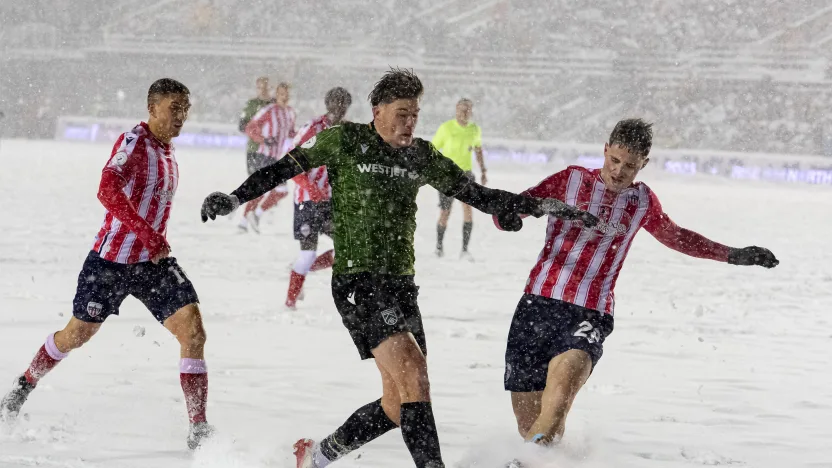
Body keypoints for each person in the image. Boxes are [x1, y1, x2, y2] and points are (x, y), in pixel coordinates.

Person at [200, 68, 598, 468]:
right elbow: (282, 168)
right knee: (415, 377)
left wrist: (530, 206)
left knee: (397, 403)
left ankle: (316, 456)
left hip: (401, 286)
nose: (409, 123)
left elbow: (475, 193)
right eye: (402, 113)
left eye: (415, 115)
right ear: (377, 111)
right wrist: (234, 199)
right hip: (358, 281)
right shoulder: (346, 140)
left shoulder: (420, 154)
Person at [495, 119, 779, 466]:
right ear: (605, 149)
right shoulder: (569, 180)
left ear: (643, 163)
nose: (618, 171)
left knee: (556, 406)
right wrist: (513, 216)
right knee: (529, 425)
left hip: (589, 313)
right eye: (614, 160)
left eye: (629, 165)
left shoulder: (641, 201)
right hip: (536, 306)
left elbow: (676, 237)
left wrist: (732, 254)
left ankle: (524, 464)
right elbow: (508, 211)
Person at [0, 79, 214, 450]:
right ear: (152, 108)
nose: (181, 116)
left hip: (152, 263)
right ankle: (22, 387)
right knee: (76, 335)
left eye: (185, 109)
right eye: (173, 108)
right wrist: (145, 232)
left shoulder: (167, 151)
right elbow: (107, 189)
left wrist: (150, 240)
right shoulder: (134, 143)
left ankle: (198, 428)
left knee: (193, 332)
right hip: (110, 262)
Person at [285, 87, 352, 309]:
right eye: (336, 103)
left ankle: (305, 270)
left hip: (333, 202)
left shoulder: (347, 133)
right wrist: (310, 187)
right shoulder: (312, 129)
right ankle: (290, 302)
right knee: (307, 252)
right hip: (307, 201)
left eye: (343, 104)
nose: (339, 108)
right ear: (328, 104)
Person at [238, 82, 296, 233]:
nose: (285, 97)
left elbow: (290, 132)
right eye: (282, 94)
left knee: (265, 190)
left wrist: (302, 135)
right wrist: (263, 139)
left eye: (287, 94)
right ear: (277, 95)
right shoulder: (269, 110)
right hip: (265, 156)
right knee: (280, 190)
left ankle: (245, 222)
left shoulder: (290, 112)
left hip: (276, 157)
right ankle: (255, 215)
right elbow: (250, 127)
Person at [432, 98, 487, 261]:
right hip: (447, 176)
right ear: (456, 110)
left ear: (471, 111)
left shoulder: (475, 129)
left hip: (466, 175)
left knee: (468, 210)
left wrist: (483, 170)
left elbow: (478, 149)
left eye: (467, 110)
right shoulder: (446, 128)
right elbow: (433, 150)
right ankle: (439, 247)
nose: (464, 113)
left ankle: (464, 250)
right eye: (462, 109)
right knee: (445, 212)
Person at [239, 76, 274, 176]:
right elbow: (242, 126)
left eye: (265, 88)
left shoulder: (275, 104)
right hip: (254, 149)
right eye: (260, 88)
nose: (263, 91)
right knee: (254, 183)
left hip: (272, 151)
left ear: (271, 88)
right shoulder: (252, 104)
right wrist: (259, 137)